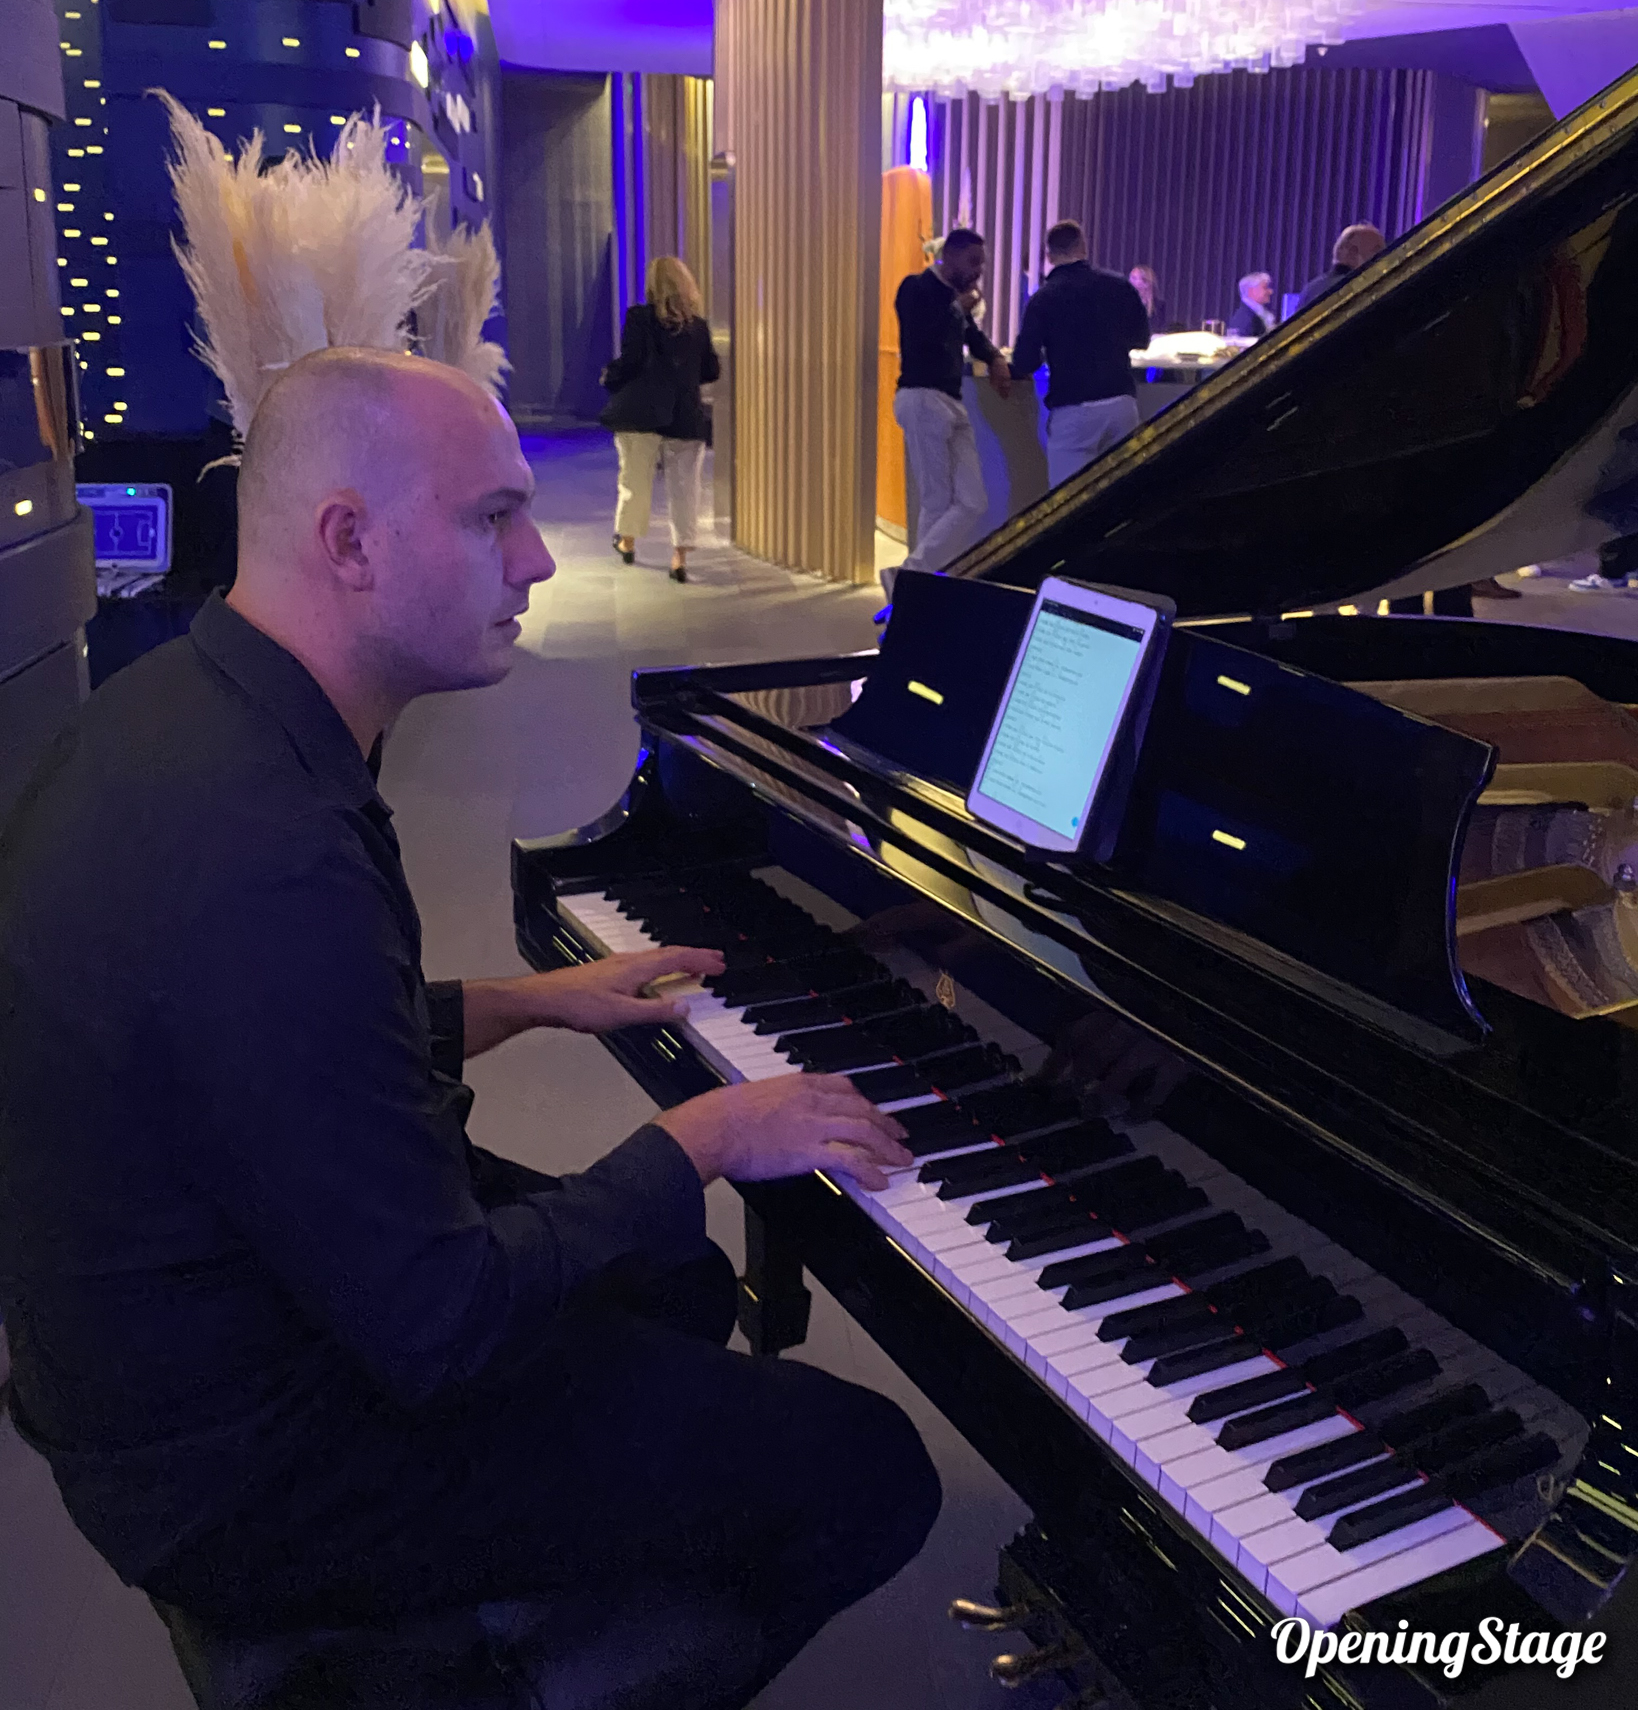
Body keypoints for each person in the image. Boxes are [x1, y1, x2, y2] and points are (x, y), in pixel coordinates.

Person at [0, 349, 939, 1691]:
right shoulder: (271, 853)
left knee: (676, 1281)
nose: (538, 560)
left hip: (175, 1339)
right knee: (869, 1467)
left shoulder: (183, 716)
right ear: (349, 543)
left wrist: (524, 1000)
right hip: (244, 1462)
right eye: (493, 516)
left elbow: (264, 1053)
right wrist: (707, 1140)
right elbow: (439, 1327)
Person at [891, 226, 1011, 592]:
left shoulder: (953, 300)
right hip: (921, 397)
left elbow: (973, 337)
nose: (978, 271)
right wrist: (958, 309)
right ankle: (917, 588)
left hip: (950, 401)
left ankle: (909, 577)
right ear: (950, 256)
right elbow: (922, 336)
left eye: (981, 264)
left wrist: (995, 358)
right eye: (973, 262)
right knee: (936, 501)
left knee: (973, 501)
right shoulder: (915, 288)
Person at [601, 256, 718, 583]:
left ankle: (627, 542)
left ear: (652, 285)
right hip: (685, 416)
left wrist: (609, 377)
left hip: (641, 415)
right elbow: (711, 370)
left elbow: (630, 362)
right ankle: (679, 558)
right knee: (685, 489)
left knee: (634, 481)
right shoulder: (698, 327)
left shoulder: (639, 319)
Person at [1013, 220, 1150, 490]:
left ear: (1049, 256)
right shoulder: (1120, 286)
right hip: (1121, 403)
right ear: (1084, 248)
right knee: (1124, 495)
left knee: (1068, 499)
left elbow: (1024, 361)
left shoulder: (1043, 298)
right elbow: (1141, 340)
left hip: (1073, 410)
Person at [1295, 222, 1386, 311]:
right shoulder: (1359, 289)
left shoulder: (1312, 288)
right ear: (1353, 252)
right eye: (1376, 250)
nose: (1384, 256)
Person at [1226, 270, 1276, 338]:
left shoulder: (1258, 313)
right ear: (1251, 290)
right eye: (1265, 288)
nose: (1270, 291)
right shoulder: (1243, 318)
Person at [1128, 263, 1169, 332]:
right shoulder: (1124, 303)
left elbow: (1160, 328)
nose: (1129, 280)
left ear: (1146, 283)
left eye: (1134, 278)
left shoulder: (1159, 305)